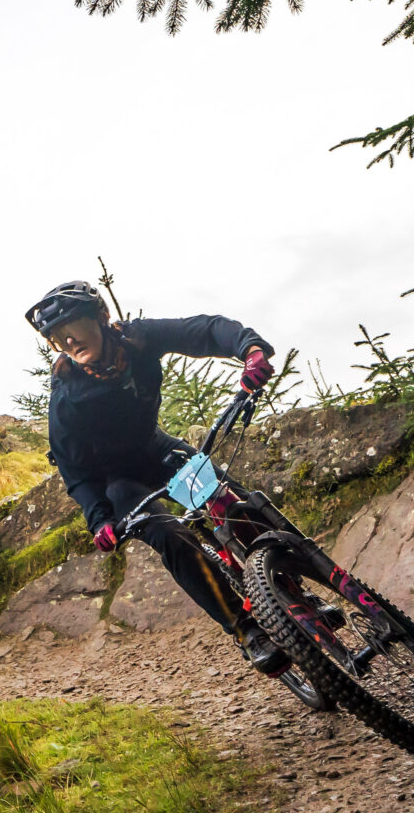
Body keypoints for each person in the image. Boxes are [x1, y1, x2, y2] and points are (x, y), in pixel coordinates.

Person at [25, 280, 285, 674]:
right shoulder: (67, 394)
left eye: (73, 328)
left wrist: (250, 350)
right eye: (59, 338)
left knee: (232, 502)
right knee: (170, 536)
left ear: (100, 318)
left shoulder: (138, 339)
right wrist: (99, 520)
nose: (69, 342)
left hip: (159, 450)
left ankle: (293, 589)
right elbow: (73, 469)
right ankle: (247, 630)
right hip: (120, 482)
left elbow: (206, 329)